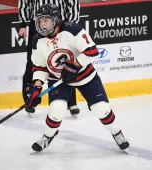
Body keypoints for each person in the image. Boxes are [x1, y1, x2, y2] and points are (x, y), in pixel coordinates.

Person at [24, 4, 130, 152]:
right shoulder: (37, 40)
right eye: (40, 21)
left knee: (101, 109)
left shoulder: (72, 29)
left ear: (55, 20)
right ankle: (47, 136)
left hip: (85, 75)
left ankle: (117, 133)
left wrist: (74, 65)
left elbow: (92, 51)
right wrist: (37, 86)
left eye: (46, 20)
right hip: (59, 79)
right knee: (56, 109)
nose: (43, 24)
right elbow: (39, 67)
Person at [18, 0, 80, 115]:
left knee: (66, 59)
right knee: (34, 61)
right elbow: (25, 2)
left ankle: (71, 101)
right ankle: (29, 99)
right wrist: (23, 23)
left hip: (60, 23)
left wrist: (71, 24)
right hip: (38, 22)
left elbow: (72, 2)